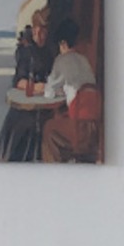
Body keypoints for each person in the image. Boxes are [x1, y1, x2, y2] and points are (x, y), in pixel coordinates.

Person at [0, 6, 56, 161]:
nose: (39, 36)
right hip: (25, 108)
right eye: (36, 32)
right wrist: (36, 87)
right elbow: (19, 81)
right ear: (33, 30)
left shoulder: (49, 51)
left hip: (44, 105)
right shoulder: (26, 50)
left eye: (43, 32)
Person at [39, 17, 98, 162]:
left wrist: (53, 90)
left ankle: (55, 166)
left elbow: (48, 93)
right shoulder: (84, 60)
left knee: (48, 128)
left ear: (63, 43)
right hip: (95, 129)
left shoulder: (61, 60)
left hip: (78, 129)